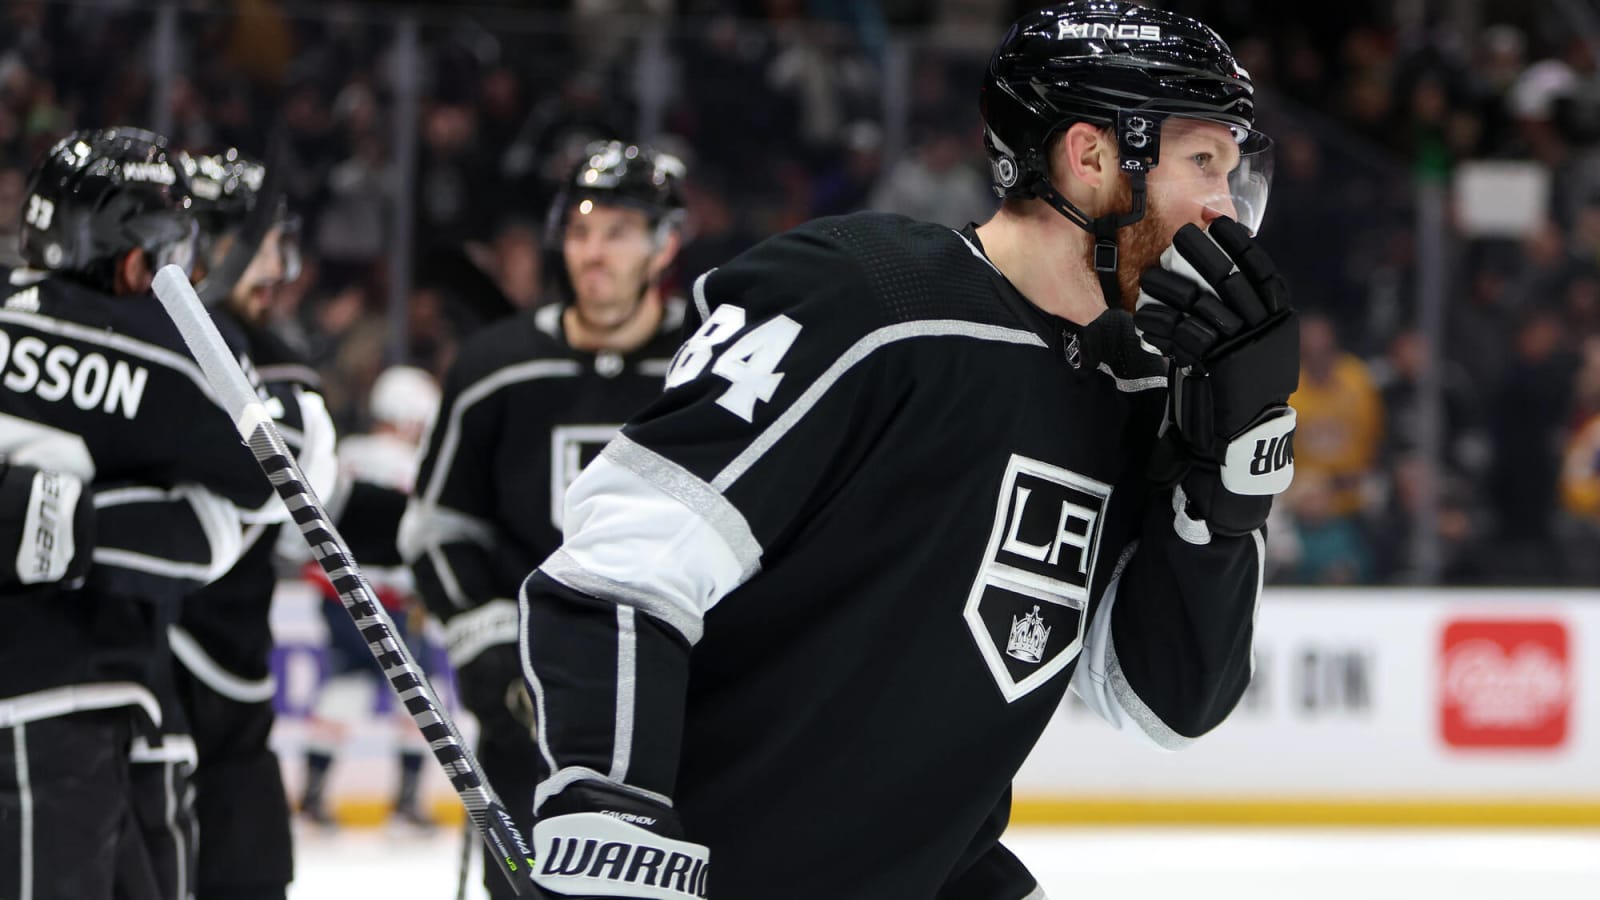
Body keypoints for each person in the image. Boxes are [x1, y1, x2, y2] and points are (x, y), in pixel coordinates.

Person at [515, 4, 1299, 899]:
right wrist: (608, 808)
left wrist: (1225, 489)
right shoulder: (863, 296)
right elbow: (623, 563)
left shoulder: (1139, 392)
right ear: (1089, 158)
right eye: (1203, 162)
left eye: (1235, 173)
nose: (1224, 207)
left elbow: (1165, 703)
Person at [399, 139, 689, 899]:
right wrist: (485, 630)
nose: (593, 252)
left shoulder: (712, 364)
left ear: (666, 245)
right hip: (528, 704)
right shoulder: (496, 367)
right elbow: (438, 528)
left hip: (682, 702)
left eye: (619, 231)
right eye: (582, 229)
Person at [0, 127, 283, 899]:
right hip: (56, 713)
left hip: (125, 707)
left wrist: (65, 526)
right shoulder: (165, 353)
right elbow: (270, 479)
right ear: (140, 261)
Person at [167, 147, 336, 900]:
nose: (280, 271)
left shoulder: (274, 366)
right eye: (269, 246)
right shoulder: (145, 348)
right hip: (133, 681)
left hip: (225, 696)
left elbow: (320, 506)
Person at [297, 364, 441, 831]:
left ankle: (315, 793)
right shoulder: (417, 467)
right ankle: (405, 799)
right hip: (391, 598)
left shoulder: (346, 455)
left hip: (339, 594)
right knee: (418, 698)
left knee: (344, 688)